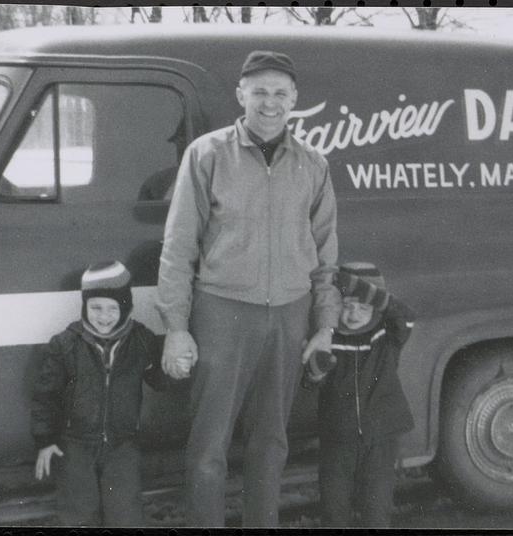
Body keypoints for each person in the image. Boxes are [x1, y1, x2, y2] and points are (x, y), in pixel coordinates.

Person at [155, 50, 341, 527]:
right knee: (208, 445)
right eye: (260, 92)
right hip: (222, 313)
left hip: (288, 314)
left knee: (271, 442)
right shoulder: (207, 154)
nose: (270, 103)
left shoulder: (313, 164)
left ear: (295, 98)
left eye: (280, 93)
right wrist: (176, 326)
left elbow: (325, 256)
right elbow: (178, 249)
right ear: (242, 95)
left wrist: (324, 325)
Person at [31, 261, 174, 526]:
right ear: (84, 306)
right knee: (78, 513)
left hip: (123, 445)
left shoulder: (142, 340)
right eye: (95, 307)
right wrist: (45, 440)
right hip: (74, 445)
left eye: (112, 308)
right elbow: (45, 396)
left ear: (126, 307)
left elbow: (161, 380)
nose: (104, 316)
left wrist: (175, 365)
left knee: (125, 514)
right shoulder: (65, 344)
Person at [303, 262, 416, 528]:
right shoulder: (328, 338)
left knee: (376, 510)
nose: (354, 315)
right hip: (337, 438)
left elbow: (406, 314)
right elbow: (309, 384)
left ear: (376, 308)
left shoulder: (386, 335)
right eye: (347, 306)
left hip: (380, 436)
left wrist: (358, 287)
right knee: (334, 510)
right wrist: (315, 373)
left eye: (363, 307)